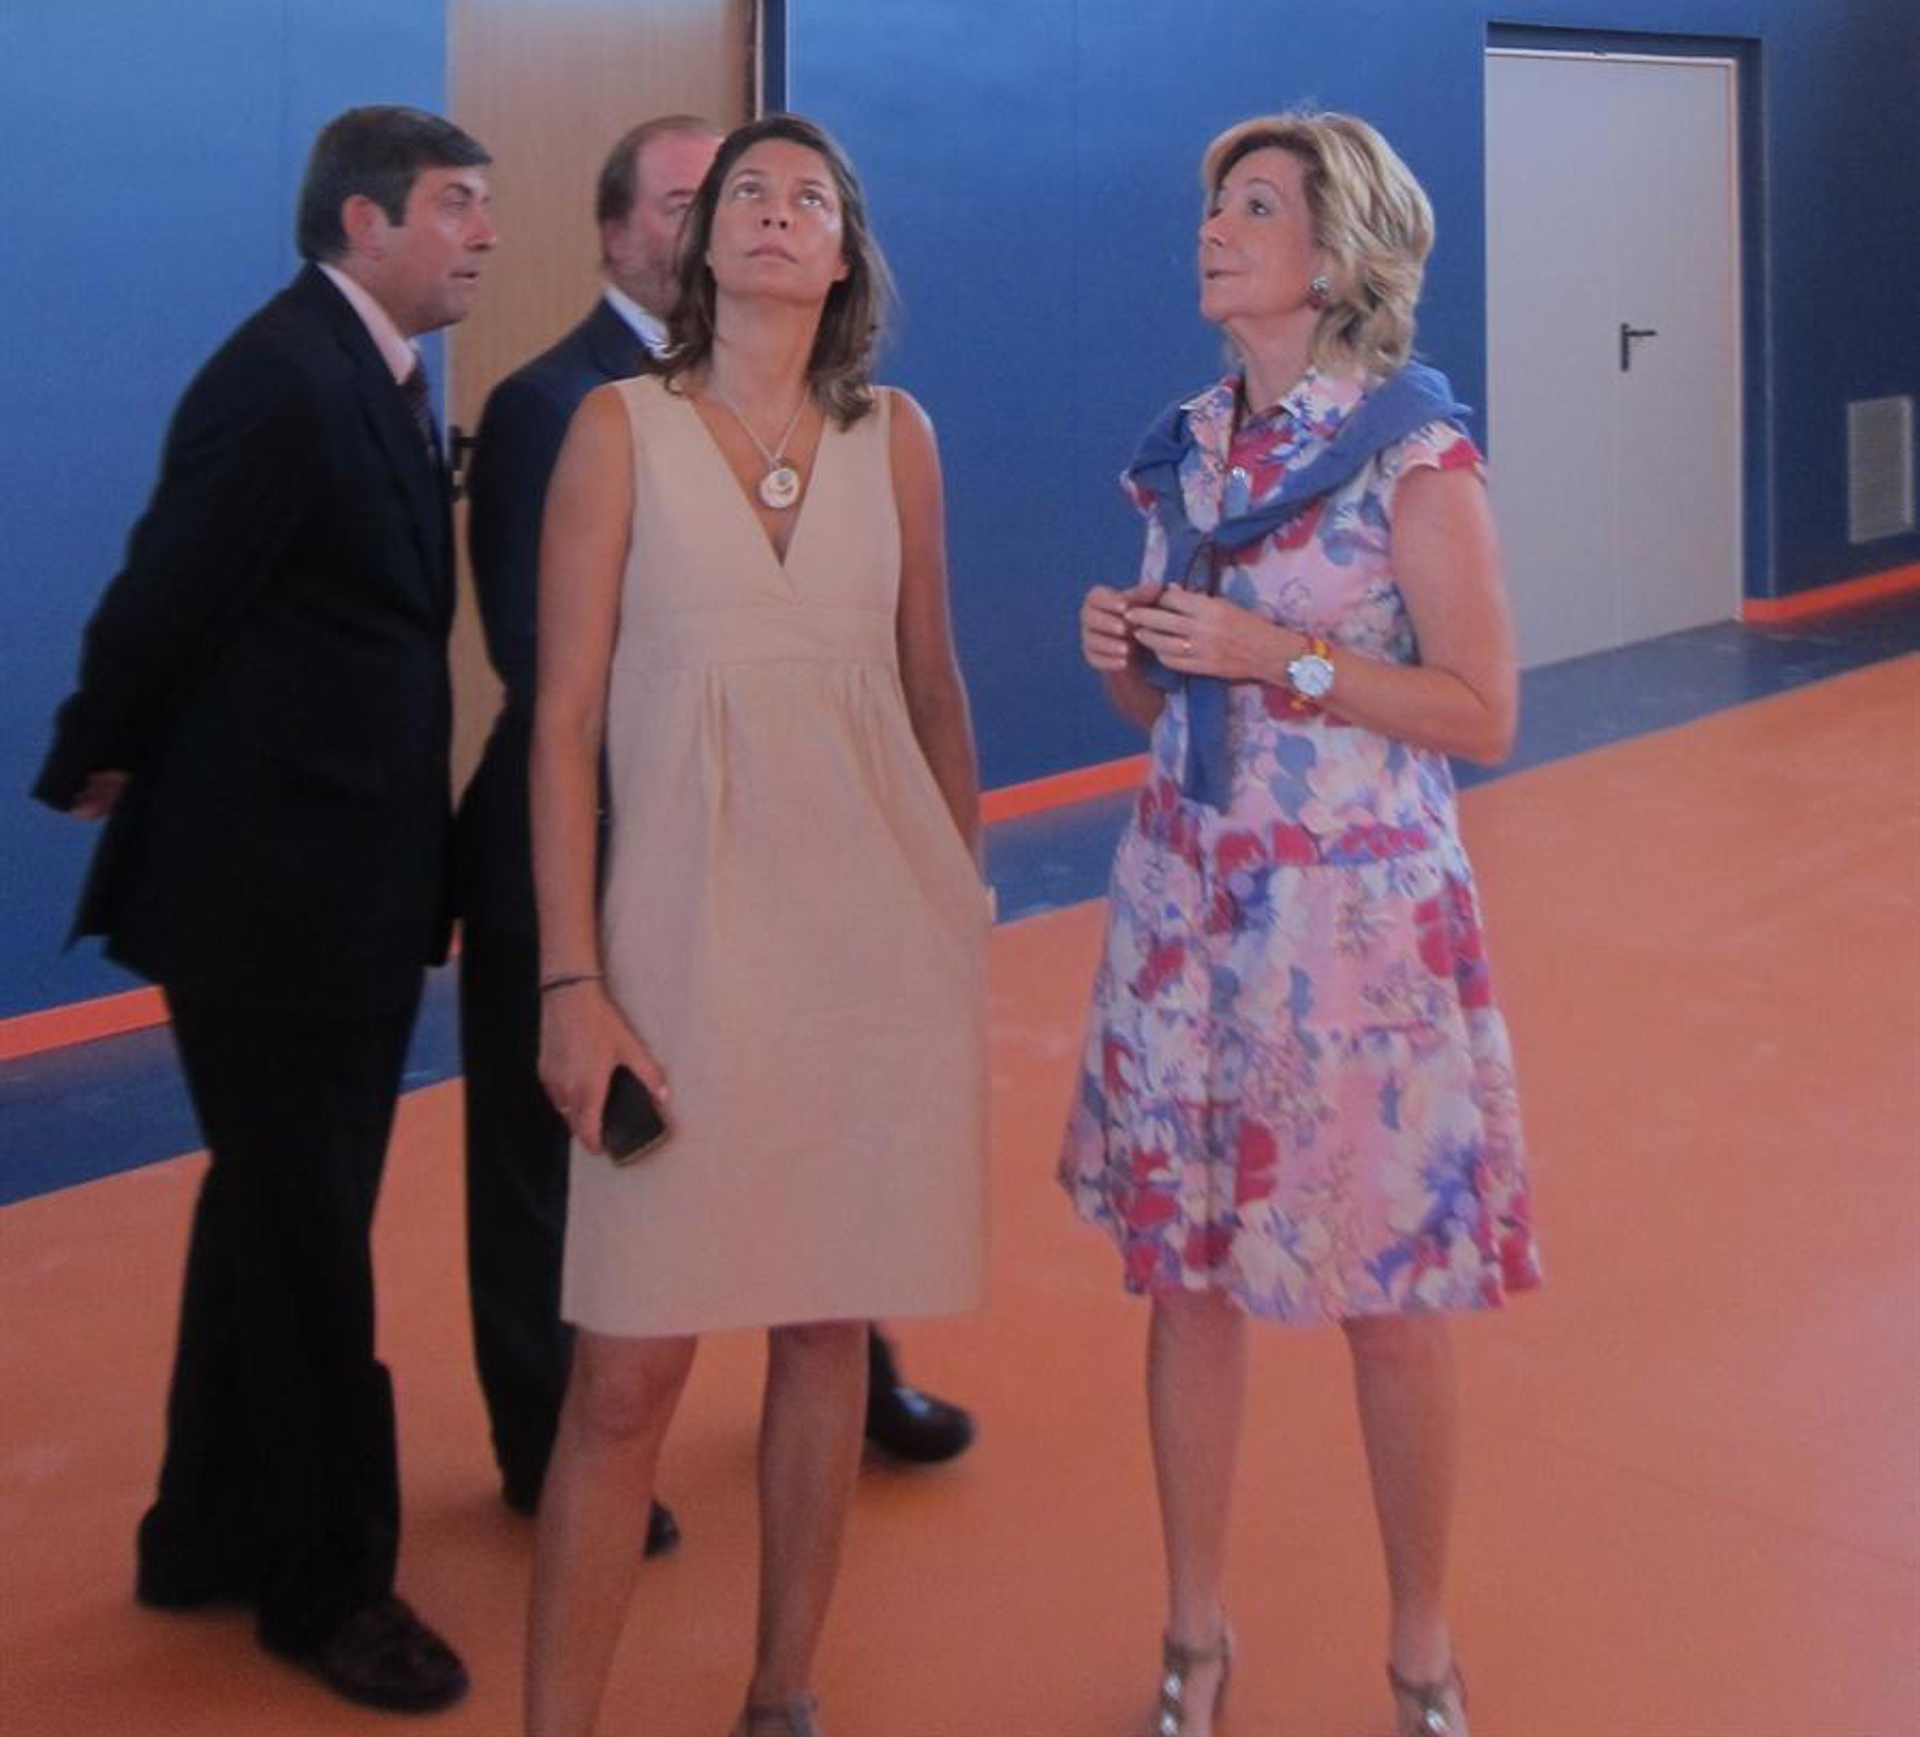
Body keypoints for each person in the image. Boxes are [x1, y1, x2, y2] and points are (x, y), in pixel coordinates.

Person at [1060, 112, 1540, 1737]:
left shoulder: (1415, 454)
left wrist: (1285, 658)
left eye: (1255, 206)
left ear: (1334, 258)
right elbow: (1162, 704)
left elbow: (1484, 711)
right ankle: (1195, 1635)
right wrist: (1130, 653)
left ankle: (1421, 1649)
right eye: (1216, 202)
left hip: (1355, 934)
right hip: (1191, 908)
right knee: (1187, 1282)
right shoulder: (1188, 446)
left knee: (1388, 1295)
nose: (1215, 226)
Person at [524, 115, 989, 1737]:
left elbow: (934, 687)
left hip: (875, 952)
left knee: (825, 1325)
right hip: (673, 954)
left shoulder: (899, 435)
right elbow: (561, 722)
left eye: (810, 197)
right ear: (698, 240)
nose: (777, 212)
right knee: (624, 1375)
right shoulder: (616, 430)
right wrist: (570, 977)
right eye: (746, 192)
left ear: (845, 251)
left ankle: (782, 1690)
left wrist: (961, 908)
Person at [31, 105, 498, 1718]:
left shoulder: (371, 372)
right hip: (266, 896)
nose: (482, 233)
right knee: (307, 1243)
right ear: (363, 220)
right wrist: (92, 748)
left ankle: (201, 1531)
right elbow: (168, 585)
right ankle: (328, 1588)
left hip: (336, 882)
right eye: (455, 204)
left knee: (267, 1213)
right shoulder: (285, 377)